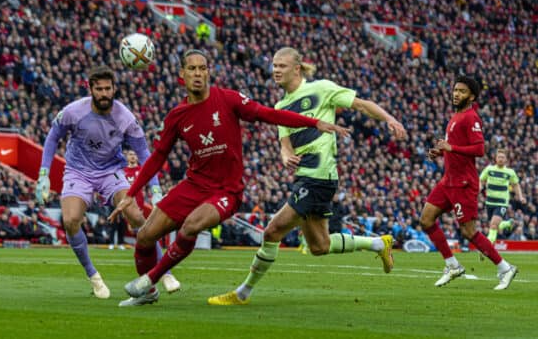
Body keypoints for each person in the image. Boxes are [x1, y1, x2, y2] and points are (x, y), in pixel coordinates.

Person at [110, 49, 348, 306]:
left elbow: (268, 114)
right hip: (193, 185)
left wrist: (313, 123)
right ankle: (148, 294)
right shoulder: (177, 116)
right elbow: (157, 157)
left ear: (209, 72)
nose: (198, 74)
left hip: (226, 191)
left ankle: (150, 280)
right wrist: (131, 193)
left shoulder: (228, 99)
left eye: (203, 68)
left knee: (191, 225)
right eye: (192, 69)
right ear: (182, 75)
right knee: (145, 236)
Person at [208, 47, 406, 305]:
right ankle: (379, 244)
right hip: (305, 177)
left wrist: (389, 118)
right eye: (274, 66)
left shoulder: (321, 88)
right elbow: (284, 144)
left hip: (319, 174)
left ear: (297, 69)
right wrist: (285, 156)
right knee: (319, 246)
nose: (276, 70)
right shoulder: (280, 106)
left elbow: (360, 104)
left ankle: (242, 293)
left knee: (272, 231)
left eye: (282, 66)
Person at [35, 65, 179, 300]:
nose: (104, 93)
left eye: (107, 89)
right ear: (90, 89)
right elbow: (52, 137)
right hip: (77, 172)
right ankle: (93, 275)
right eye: (99, 89)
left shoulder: (125, 118)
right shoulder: (73, 111)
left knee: (135, 215)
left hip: (110, 172)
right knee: (71, 220)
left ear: (114, 89)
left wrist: (154, 187)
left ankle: (164, 271)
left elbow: (144, 153)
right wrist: (43, 174)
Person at [420, 76, 517, 290]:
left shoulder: (471, 118)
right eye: (455, 90)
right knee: (426, 220)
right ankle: (452, 265)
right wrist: (441, 151)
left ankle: (505, 268)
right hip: (448, 181)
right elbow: (453, 147)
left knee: (468, 231)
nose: (456, 94)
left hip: (464, 183)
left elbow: (479, 149)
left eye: (462, 91)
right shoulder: (456, 116)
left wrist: (451, 149)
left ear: (471, 96)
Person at [124, 149, 181, 295]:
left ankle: (161, 277)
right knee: (145, 243)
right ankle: (159, 278)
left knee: (147, 241)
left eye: (135, 154)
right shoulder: (122, 171)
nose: (133, 156)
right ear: (126, 156)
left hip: (141, 212)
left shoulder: (142, 170)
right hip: (129, 212)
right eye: (131, 154)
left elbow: (152, 184)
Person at [479, 149, 526, 251]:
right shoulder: (489, 169)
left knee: (493, 225)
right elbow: (481, 181)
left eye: (503, 157)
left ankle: (487, 249)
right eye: (499, 157)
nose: (500, 159)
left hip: (501, 203)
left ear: (506, 160)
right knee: (494, 225)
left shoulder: (510, 172)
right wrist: (478, 189)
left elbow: (516, 185)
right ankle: (507, 223)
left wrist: (521, 196)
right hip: (489, 202)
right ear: (495, 158)